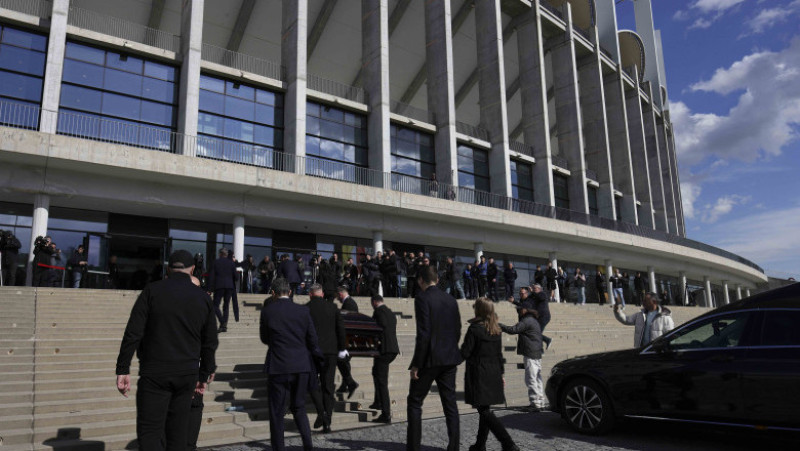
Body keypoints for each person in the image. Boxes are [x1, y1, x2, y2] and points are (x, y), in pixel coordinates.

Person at [115, 249, 218, 451]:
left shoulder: (152, 291)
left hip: (154, 371)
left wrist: (123, 368)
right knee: (178, 432)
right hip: (186, 372)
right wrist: (204, 373)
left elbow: (133, 333)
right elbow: (210, 341)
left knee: (150, 432)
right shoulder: (203, 298)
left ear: (168, 269)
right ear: (192, 270)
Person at [260, 278, 321, 451]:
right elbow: (312, 339)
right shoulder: (303, 311)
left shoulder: (268, 311)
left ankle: (279, 448)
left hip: (278, 364)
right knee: (299, 407)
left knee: (277, 411)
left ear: (273, 293)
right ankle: (308, 445)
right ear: (290, 292)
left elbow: (264, 338)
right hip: (301, 364)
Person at [407, 265, 462, 451]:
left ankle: (413, 447)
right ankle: (454, 447)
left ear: (420, 280)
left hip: (429, 359)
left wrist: (416, 364)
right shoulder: (451, 299)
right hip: (449, 358)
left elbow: (423, 333)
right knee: (450, 404)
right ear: (437, 280)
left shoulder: (422, 298)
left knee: (415, 402)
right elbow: (457, 330)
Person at [462, 298, 520, 451]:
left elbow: (465, 352)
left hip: (479, 373)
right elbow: (498, 355)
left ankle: (508, 444)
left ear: (479, 310)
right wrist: (501, 374)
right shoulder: (496, 329)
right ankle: (480, 445)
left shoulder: (475, 329)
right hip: (493, 372)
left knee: (484, 411)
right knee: (484, 408)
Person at [306, 283, 346, 433]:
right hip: (330, 352)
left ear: (310, 294)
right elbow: (341, 329)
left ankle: (321, 412)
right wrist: (342, 348)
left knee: (312, 384)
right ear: (322, 294)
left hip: (312, 352)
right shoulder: (333, 307)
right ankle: (327, 420)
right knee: (328, 386)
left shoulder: (305, 308)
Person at [500, 298, 544, 412]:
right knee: (537, 378)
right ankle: (540, 402)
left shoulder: (527, 321)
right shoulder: (533, 320)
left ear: (525, 310)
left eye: (519, 309)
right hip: (536, 352)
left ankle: (535, 404)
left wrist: (500, 325)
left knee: (531, 378)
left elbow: (513, 330)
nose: (518, 311)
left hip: (530, 352)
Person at [369, 295, 399, 423]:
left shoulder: (379, 312)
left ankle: (385, 414)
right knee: (376, 372)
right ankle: (378, 401)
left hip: (384, 349)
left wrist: (375, 340)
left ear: (375, 302)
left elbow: (381, 326)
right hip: (392, 349)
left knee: (382, 381)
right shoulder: (390, 312)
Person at [335, 286, 359, 397]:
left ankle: (349, 383)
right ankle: (347, 384)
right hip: (349, 337)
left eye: (337, 297)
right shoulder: (349, 302)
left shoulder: (349, 304)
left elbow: (347, 322)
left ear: (340, 294)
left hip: (348, 338)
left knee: (343, 361)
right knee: (344, 361)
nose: (337, 299)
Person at [209, 248, 237, 333]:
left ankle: (222, 322)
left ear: (220, 254)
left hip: (219, 286)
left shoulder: (216, 262)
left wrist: (209, 288)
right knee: (226, 306)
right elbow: (236, 277)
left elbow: (211, 276)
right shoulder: (231, 263)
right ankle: (223, 326)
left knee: (215, 305)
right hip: (229, 286)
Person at [530, 284, 552, 349]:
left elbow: (540, 297)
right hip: (538, 317)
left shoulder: (542, 294)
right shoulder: (535, 296)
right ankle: (546, 341)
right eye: (533, 288)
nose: (534, 289)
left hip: (544, 317)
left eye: (535, 288)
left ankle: (547, 340)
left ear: (539, 289)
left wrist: (532, 292)